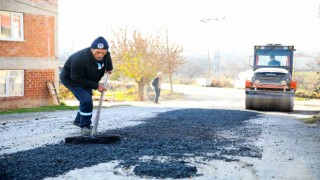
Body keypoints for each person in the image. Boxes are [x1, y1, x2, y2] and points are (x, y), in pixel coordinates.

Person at [60, 36, 113, 134]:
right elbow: (76, 78)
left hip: (87, 78)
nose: (100, 55)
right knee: (86, 100)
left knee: (86, 100)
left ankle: (78, 121)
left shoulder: (105, 54)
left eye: (103, 53)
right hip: (72, 79)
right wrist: (96, 86)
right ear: (91, 49)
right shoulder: (79, 59)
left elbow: (108, 56)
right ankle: (85, 126)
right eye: (97, 52)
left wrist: (109, 67)